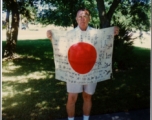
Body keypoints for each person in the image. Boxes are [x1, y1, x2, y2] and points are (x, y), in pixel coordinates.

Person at [46, 8, 119, 120]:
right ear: (76, 19)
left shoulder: (96, 34)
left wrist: (112, 31)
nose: (82, 18)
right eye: (80, 16)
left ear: (89, 18)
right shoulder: (69, 34)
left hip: (91, 71)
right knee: (72, 98)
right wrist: (52, 36)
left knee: (87, 97)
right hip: (73, 72)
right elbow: (60, 46)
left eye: (85, 16)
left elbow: (105, 41)